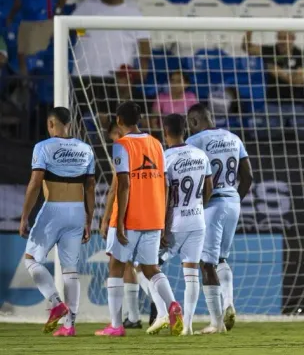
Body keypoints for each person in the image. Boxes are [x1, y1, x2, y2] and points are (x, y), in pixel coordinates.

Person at [96, 101, 183, 337]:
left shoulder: (121, 145)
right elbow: (165, 184)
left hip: (130, 217)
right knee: (150, 268)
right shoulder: (156, 144)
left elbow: (122, 184)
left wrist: (118, 220)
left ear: (119, 120)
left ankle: (116, 325)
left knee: (115, 266)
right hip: (153, 217)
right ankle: (174, 305)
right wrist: (162, 221)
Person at [19, 107, 95, 336]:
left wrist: (24, 216)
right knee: (71, 270)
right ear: (69, 123)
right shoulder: (86, 149)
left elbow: (34, 184)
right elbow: (90, 187)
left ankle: (56, 302)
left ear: (51, 124)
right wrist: (88, 220)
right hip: (77, 212)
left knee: (31, 260)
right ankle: (69, 326)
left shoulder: (43, 147)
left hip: (53, 210)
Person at [186, 103, 253, 333]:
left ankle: (216, 323)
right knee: (221, 259)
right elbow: (248, 176)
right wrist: (234, 198)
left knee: (206, 263)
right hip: (233, 202)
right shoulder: (234, 138)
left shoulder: (195, 142)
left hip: (211, 204)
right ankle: (229, 303)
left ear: (194, 122)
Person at [161, 114, 213, 336]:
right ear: (185, 130)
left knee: (145, 266)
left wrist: (163, 224)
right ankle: (188, 326)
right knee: (191, 272)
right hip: (197, 218)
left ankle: (170, 310)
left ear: (165, 132)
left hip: (175, 221)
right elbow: (209, 186)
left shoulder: (166, 157)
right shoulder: (201, 155)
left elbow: (163, 192)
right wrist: (200, 206)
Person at [71, 0, 151, 115]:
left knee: (111, 121)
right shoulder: (87, 7)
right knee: (80, 119)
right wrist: (84, 34)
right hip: (83, 73)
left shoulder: (132, 13)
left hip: (114, 76)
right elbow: (71, 27)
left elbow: (144, 41)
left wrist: (144, 68)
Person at [100, 119, 150, 330]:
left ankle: (162, 307)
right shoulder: (147, 148)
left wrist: (105, 218)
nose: (112, 139)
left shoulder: (122, 151)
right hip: (147, 213)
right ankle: (135, 316)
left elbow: (115, 189)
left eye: (112, 134)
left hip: (126, 216)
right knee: (136, 265)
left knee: (120, 264)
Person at [241, 30, 304, 126]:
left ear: (292, 39)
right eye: (279, 38)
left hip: (296, 103)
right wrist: (249, 30)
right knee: (271, 134)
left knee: (301, 133)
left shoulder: (301, 55)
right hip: (273, 102)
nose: (281, 41)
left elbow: (298, 81)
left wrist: (280, 73)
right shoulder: (270, 51)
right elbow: (247, 48)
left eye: (284, 38)